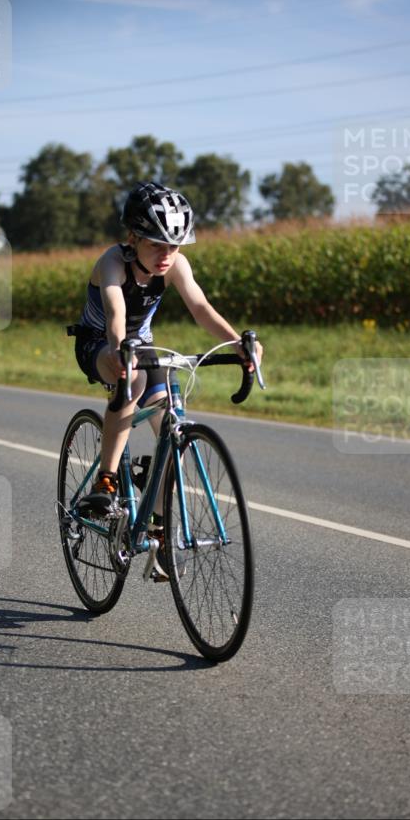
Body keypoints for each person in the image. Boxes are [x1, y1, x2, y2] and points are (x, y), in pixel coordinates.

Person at [73, 181, 262, 571]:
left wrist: (235, 345)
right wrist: (120, 350)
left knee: (169, 424)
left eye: (174, 246)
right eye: (156, 244)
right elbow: (115, 315)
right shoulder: (112, 262)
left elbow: (200, 307)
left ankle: (156, 527)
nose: (166, 255)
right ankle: (105, 481)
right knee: (133, 382)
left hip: (141, 343)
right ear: (132, 238)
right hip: (102, 341)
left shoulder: (175, 265)